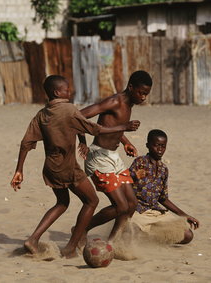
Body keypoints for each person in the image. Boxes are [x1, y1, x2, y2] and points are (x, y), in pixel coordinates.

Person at [9, 75, 140, 258]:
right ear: (57, 92)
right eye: (66, 89)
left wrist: (19, 170)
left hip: (50, 167)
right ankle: (71, 246)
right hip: (68, 167)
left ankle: (33, 240)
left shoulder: (42, 114)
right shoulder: (69, 109)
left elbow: (26, 143)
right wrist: (123, 127)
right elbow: (95, 129)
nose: (69, 92)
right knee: (91, 201)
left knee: (62, 203)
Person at [77, 70, 152, 243]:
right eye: (140, 93)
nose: (143, 97)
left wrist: (125, 142)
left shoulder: (130, 104)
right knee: (121, 206)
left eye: (146, 95)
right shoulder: (114, 101)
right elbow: (79, 116)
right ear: (131, 87)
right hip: (99, 157)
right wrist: (82, 140)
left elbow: (112, 126)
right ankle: (83, 230)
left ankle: (113, 241)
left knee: (132, 204)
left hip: (113, 156)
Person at [129, 129, 200, 244]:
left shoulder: (163, 169)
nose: (160, 149)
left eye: (163, 146)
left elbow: (163, 198)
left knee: (187, 235)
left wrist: (185, 216)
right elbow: (126, 184)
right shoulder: (140, 162)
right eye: (157, 145)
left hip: (156, 213)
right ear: (148, 145)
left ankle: (153, 236)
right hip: (138, 212)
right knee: (133, 232)